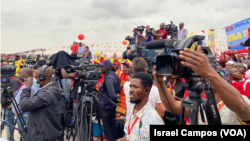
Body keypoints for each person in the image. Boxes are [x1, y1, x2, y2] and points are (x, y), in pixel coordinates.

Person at [153, 45, 250, 125]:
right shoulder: (202, 105)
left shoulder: (239, 100)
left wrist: (209, 72)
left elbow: (242, 107)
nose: (202, 79)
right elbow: (172, 106)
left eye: (206, 76)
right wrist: (160, 82)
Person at [20, 66, 64, 140]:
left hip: (43, 135)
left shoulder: (46, 93)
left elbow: (24, 106)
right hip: (45, 132)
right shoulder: (51, 88)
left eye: (36, 77)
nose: (34, 79)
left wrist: (27, 88)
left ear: (42, 78)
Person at [117, 72, 164, 141]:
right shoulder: (132, 110)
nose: (130, 90)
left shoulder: (155, 121)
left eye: (135, 87)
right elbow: (132, 136)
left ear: (146, 90)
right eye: (130, 86)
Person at [12, 68, 40, 141]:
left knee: (25, 135)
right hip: (20, 114)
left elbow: (31, 98)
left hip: (25, 114)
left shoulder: (32, 84)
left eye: (20, 73)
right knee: (22, 133)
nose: (18, 75)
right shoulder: (26, 83)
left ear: (27, 74)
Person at [98, 60, 119, 140]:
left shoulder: (108, 79)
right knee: (111, 129)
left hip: (107, 108)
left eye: (102, 66)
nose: (100, 68)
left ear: (107, 67)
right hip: (109, 107)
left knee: (109, 131)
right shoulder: (111, 76)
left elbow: (113, 96)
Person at [1, 76, 21, 141]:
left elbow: (16, 94)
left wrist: (12, 104)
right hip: (5, 105)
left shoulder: (14, 81)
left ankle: (10, 139)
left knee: (9, 123)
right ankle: (10, 138)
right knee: (8, 123)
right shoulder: (4, 80)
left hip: (10, 106)